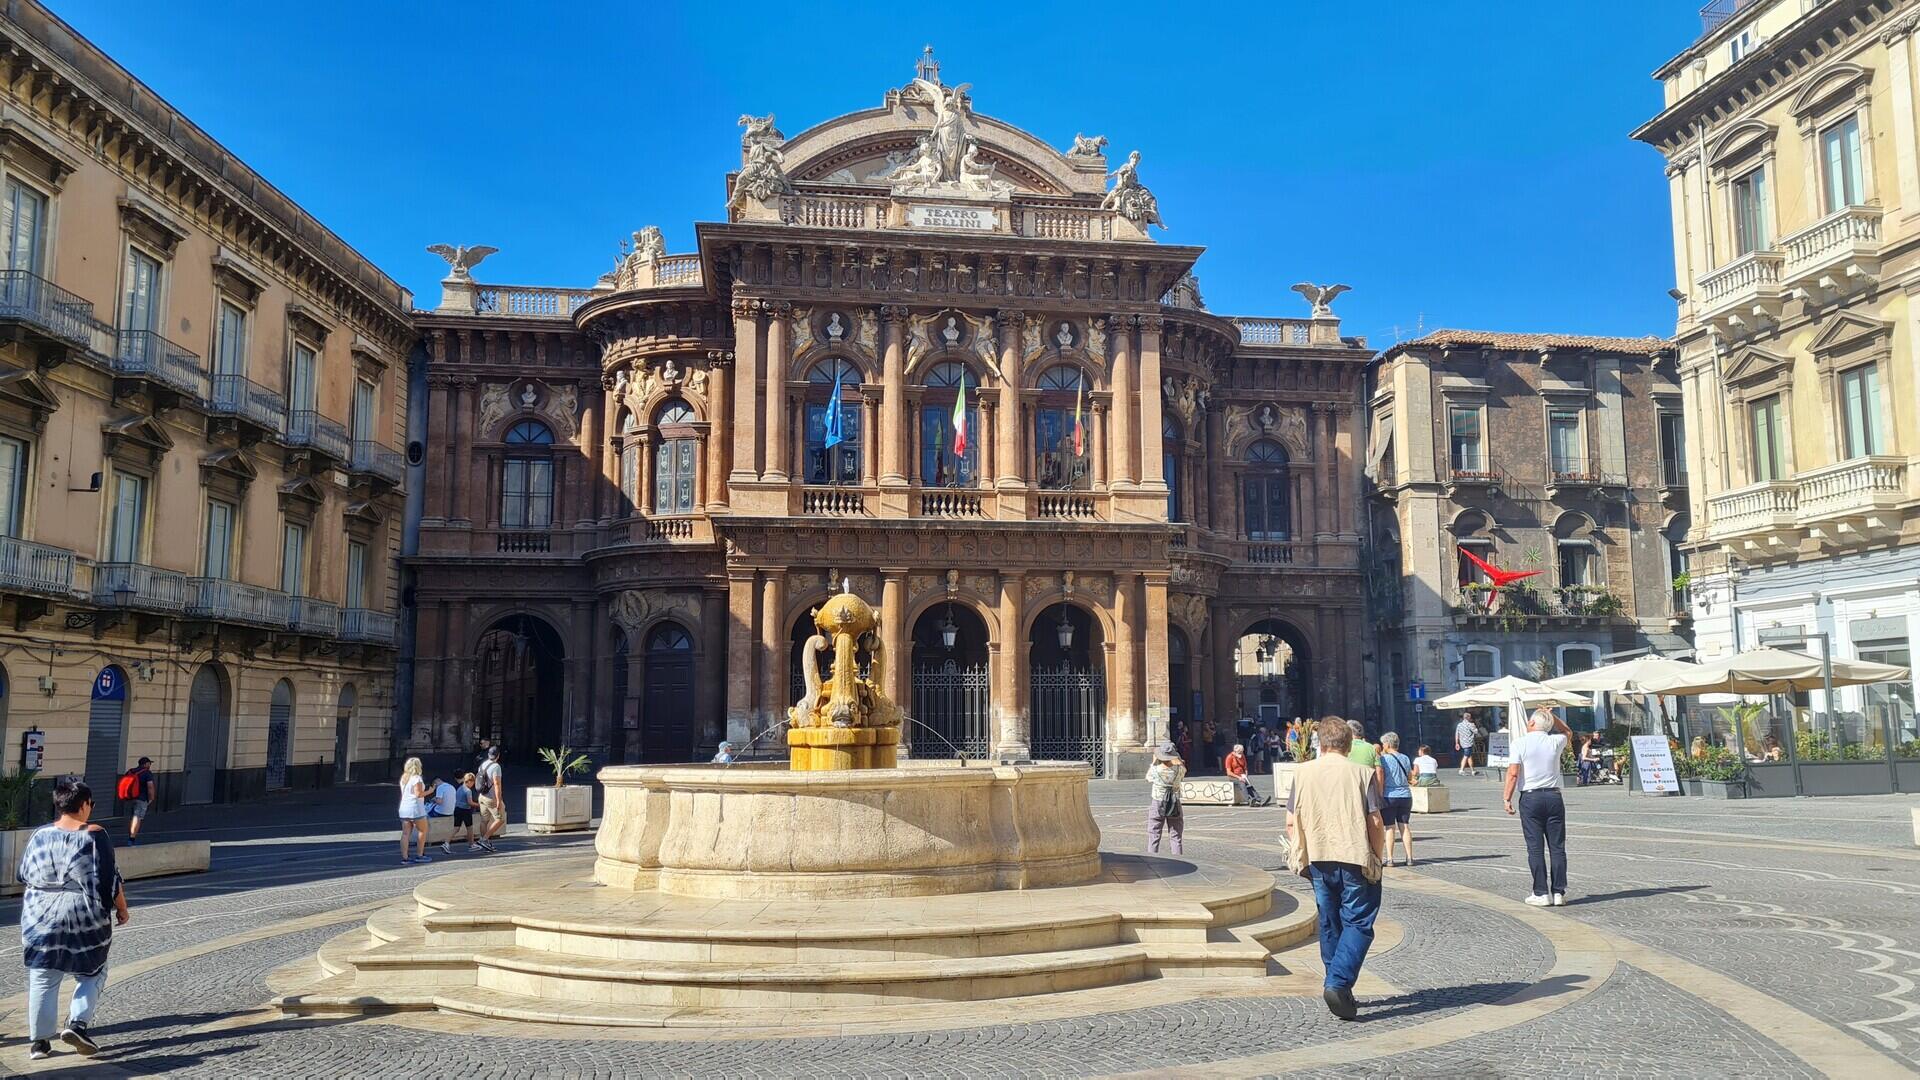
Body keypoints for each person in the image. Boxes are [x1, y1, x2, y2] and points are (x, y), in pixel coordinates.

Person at [19, 777, 130, 1060]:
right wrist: (121, 908)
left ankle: (39, 1044)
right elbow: (109, 880)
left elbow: (24, 874)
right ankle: (77, 1024)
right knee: (93, 970)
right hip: (82, 914)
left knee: (43, 975)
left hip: (39, 914)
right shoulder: (94, 834)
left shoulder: (39, 835)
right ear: (84, 805)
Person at [1286, 716, 1386, 1021]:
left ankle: (1338, 988)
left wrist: (1299, 851)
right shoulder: (1362, 773)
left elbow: (1291, 821)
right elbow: (1376, 822)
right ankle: (1338, 983)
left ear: (1321, 743)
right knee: (1358, 922)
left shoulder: (1301, 773)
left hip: (1318, 857)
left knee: (1330, 922)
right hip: (1354, 855)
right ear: (1348, 744)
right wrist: (1378, 856)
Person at [1503, 709, 1573, 906]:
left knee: (1535, 847)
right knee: (1557, 847)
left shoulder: (1519, 743)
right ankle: (1559, 892)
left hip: (1531, 798)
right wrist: (1553, 717)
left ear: (1532, 723)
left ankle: (1541, 892)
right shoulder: (1555, 741)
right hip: (1553, 796)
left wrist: (1506, 798)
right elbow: (1568, 732)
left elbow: (1513, 773)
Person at [1377, 732, 1415, 867]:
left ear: (1387, 744)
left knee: (1390, 828)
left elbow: (1381, 775)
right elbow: (1410, 776)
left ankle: (1390, 858)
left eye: (1383, 744)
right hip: (1405, 795)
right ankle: (1409, 858)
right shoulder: (1405, 758)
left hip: (1390, 795)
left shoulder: (1383, 759)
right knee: (1404, 826)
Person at [1146, 742, 1186, 854]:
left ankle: (1152, 855)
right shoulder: (1179, 769)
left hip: (1158, 801)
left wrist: (1153, 762)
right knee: (1176, 833)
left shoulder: (1155, 769)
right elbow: (1184, 771)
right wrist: (1179, 761)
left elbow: (1148, 778)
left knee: (1154, 832)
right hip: (1174, 801)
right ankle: (1178, 856)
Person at [398, 758, 431, 865]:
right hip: (416, 808)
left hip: (404, 807)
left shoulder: (404, 778)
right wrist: (430, 791)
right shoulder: (417, 778)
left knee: (405, 834)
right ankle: (420, 855)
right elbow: (418, 794)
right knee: (422, 831)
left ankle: (405, 857)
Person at [116, 757, 155, 846]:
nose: (150, 765)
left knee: (132, 818)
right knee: (137, 818)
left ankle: (130, 836)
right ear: (145, 764)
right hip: (141, 799)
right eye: (149, 763)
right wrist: (151, 798)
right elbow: (150, 786)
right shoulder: (147, 773)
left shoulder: (131, 771)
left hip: (129, 798)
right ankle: (131, 839)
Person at [476, 746, 505, 850]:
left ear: (488, 755)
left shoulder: (483, 764)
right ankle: (484, 839)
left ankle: (485, 843)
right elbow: (497, 784)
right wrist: (498, 800)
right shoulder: (496, 767)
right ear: (498, 756)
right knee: (500, 819)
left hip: (482, 796)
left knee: (484, 820)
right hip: (491, 797)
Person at [446, 773, 479, 854]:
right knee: (470, 828)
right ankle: (471, 845)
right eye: (473, 783)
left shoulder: (460, 788)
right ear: (470, 781)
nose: (473, 785)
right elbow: (470, 802)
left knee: (456, 828)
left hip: (457, 809)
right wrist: (479, 805)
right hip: (465, 810)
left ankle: (446, 843)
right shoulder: (468, 791)